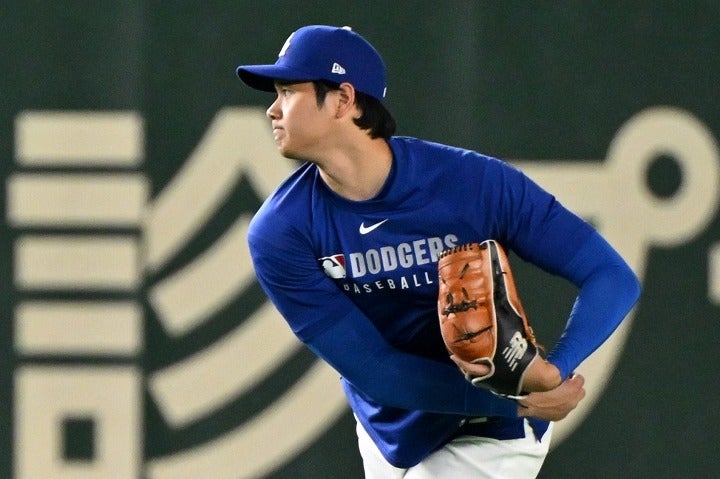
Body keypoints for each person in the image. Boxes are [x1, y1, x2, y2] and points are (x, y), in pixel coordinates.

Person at [236, 25, 641, 479]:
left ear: (343, 100)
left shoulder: (473, 184)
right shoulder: (281, 232)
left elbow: (611, 275)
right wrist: (522, 395)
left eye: (289, 91)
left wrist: (555, 369)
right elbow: (376, 370)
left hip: (492, 431)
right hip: (391, 423)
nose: (272, 109)